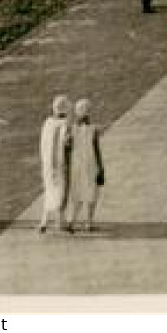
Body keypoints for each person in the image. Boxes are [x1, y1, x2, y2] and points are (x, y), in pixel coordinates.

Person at [66, 98, 105, 233]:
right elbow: (96, 150)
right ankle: (89, 222)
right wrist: (101, 168)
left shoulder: (70, 129)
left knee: (76, 193)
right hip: (90, 164)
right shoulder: (94, 129)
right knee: (91, 193)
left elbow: (67, 148)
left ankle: (71, 220)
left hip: (76, 165)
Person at [37, 95, 72, 233]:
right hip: (60, 163)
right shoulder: (65, 125)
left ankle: (44, 222)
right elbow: (67, 144)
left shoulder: (47, 122)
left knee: (49, 190)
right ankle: (60, 222)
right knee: (62, 192)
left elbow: (43, 144)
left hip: (47, 164)